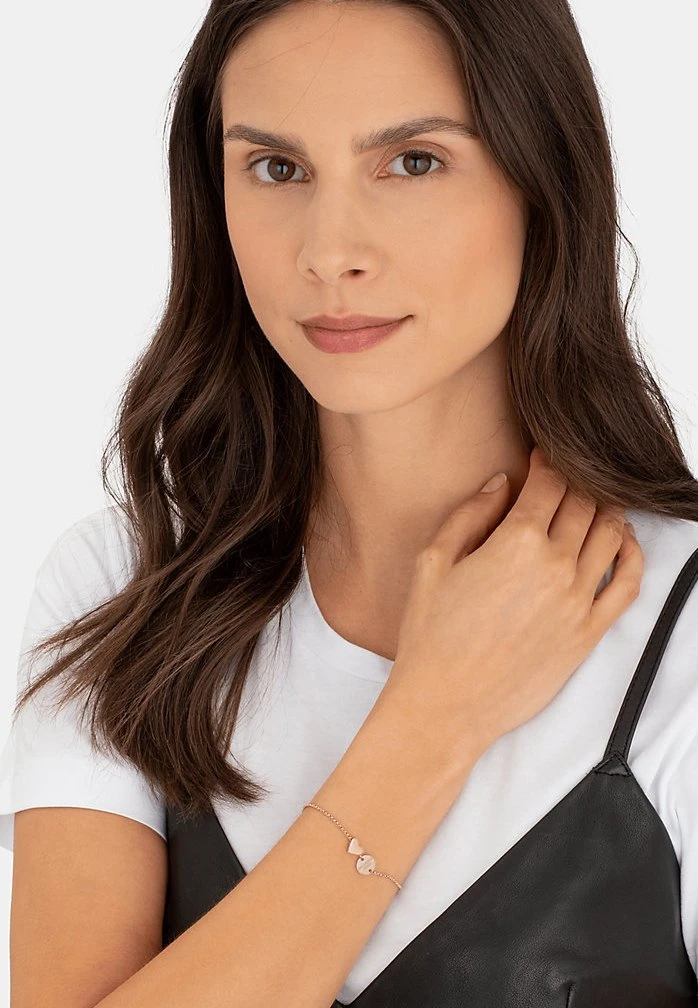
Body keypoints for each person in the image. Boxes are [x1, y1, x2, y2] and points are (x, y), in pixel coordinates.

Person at [2, 1, 697, 1005]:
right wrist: (433, 717)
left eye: (412, 162)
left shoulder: (682, 626)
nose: (329, 253)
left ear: (542, 180)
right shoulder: (123, 586)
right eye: (277, 168)